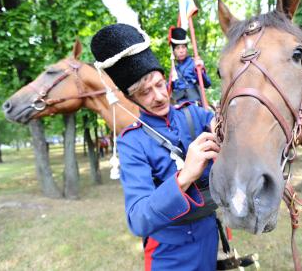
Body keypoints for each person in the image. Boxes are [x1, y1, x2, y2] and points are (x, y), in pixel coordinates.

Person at [91, 24, 220, 271]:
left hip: (209, 238)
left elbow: (221, 128)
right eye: (144, 92)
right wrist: (184, 177)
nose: (159, 96)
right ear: (132, 99)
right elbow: (138, 220)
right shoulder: (131, 142)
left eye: (160, 85)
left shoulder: (193, 113)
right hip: (169, 253)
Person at [168, 27, 211, 105]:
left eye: (183, 47)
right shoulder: (174, 70)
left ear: (186, 49)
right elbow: (168, 89)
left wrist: (200, 71)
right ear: (173, 51)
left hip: (195, 104)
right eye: (178, 48)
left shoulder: (194, 63)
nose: (181, 51)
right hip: (179, 106)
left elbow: (207, 83)